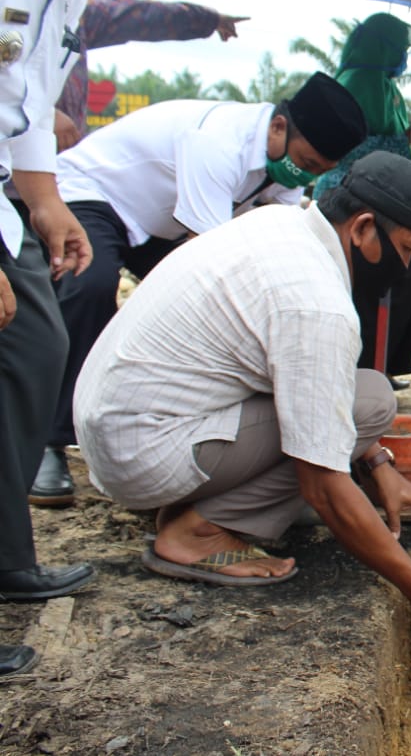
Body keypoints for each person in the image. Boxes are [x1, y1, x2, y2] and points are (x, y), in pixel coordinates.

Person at [73, 151, 411, 637]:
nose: (405, 265)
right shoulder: (318, 305)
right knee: (372, 401)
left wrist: (379, 466)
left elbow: (305, 383)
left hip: (118, 430)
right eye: (406, 247)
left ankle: (192, 501)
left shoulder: (280, 226)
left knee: (356, 402)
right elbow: (323, 485)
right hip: (144, 452)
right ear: (362, 228)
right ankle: (198, 532)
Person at [28, 72, 367, 508]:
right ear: (280, 127)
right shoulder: (217, 143)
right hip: (99, 195)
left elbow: (287, 240)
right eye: (307, 161)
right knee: (90, 286)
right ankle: (48, 442)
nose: (305, 174)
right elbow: (211, 258)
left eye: (319, 171)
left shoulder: (284, 164)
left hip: (162, 218)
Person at [1, 0, 158, 679]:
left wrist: (46, 201)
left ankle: (8, 556)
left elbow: (22, 96)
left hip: (11, 185)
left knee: (39, 343)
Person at [313, 12, 411, 390]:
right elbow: (356, 144)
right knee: (365, 278)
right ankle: (355, 367)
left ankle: (381, 367)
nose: (405, 56)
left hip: (383, 195)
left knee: (405, 277)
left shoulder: (388, 87)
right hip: (352, 194)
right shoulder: (358, 81)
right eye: (400, 48)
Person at [54, 0, 248, 149]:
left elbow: (143, 16)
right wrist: (46, 115)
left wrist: (209, 19)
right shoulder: (29, 10)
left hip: (58, 166)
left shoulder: (71, 13)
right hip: (29, 154)